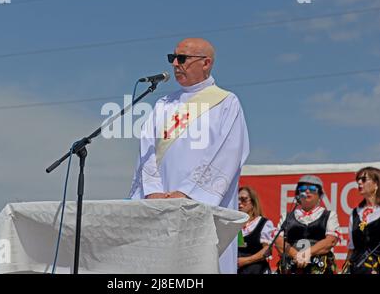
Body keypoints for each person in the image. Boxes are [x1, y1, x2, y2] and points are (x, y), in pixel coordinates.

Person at [128, 38, 250, 274]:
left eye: (182, 58)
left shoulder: (226, 103)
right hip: (161, 205)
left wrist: (187, 192)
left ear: (206, 63)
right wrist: (153, 191)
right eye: (172, 58)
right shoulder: (164, 104)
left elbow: (228, 154)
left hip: (200, 205)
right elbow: (147, 151)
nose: (175, 64)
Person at [274, 175, 340, 274]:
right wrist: (296, 255)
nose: (307, 191)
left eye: (313, 189)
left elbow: (330, 241)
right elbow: (278, 241)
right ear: (298, 193)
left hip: (319, 268)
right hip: (292, 267)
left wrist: (306, 253)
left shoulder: (329, 215)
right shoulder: (287, 216)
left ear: (320, 194)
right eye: (303, 189)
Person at [343, 167, 380, 274]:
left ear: (376, 183)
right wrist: (345, 269)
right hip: (357, 268)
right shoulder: (355, 213)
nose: (359, 182)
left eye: (364, 179)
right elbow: (351, 248)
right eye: (358, 180)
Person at [237, 187, 275, 274]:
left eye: (243, 199)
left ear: (253, 202)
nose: (239, 203)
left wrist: (245, 260)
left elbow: (267, 250)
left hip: (257, 270)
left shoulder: (263, 223)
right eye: (237, 200)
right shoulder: (233, 224)